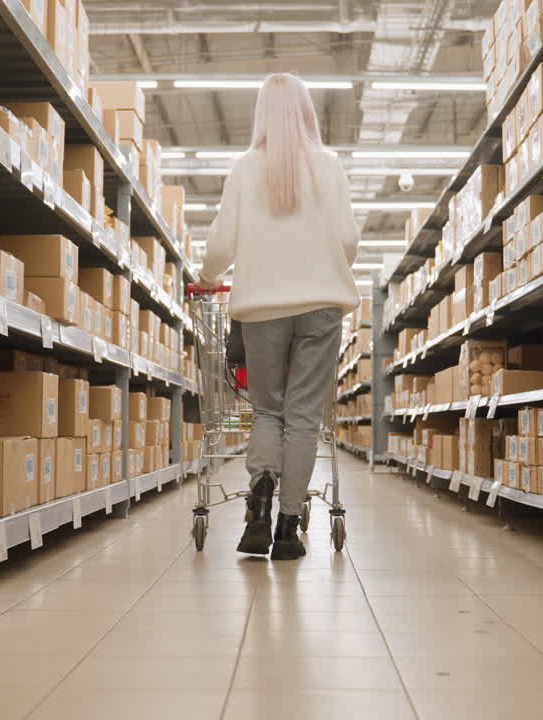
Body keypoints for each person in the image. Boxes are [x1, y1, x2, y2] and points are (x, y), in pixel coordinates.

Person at [195, 73, 360, 560]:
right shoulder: (329, 167)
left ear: (261, 115)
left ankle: (259, 507)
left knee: (268, 409)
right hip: (322, 305)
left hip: (262, 307)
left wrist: (208, 275)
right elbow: (349, 242)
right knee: (304, 416)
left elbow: (222, 244)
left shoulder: (245, 168)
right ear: (307, 113)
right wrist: (322, 266)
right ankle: (288, 528)